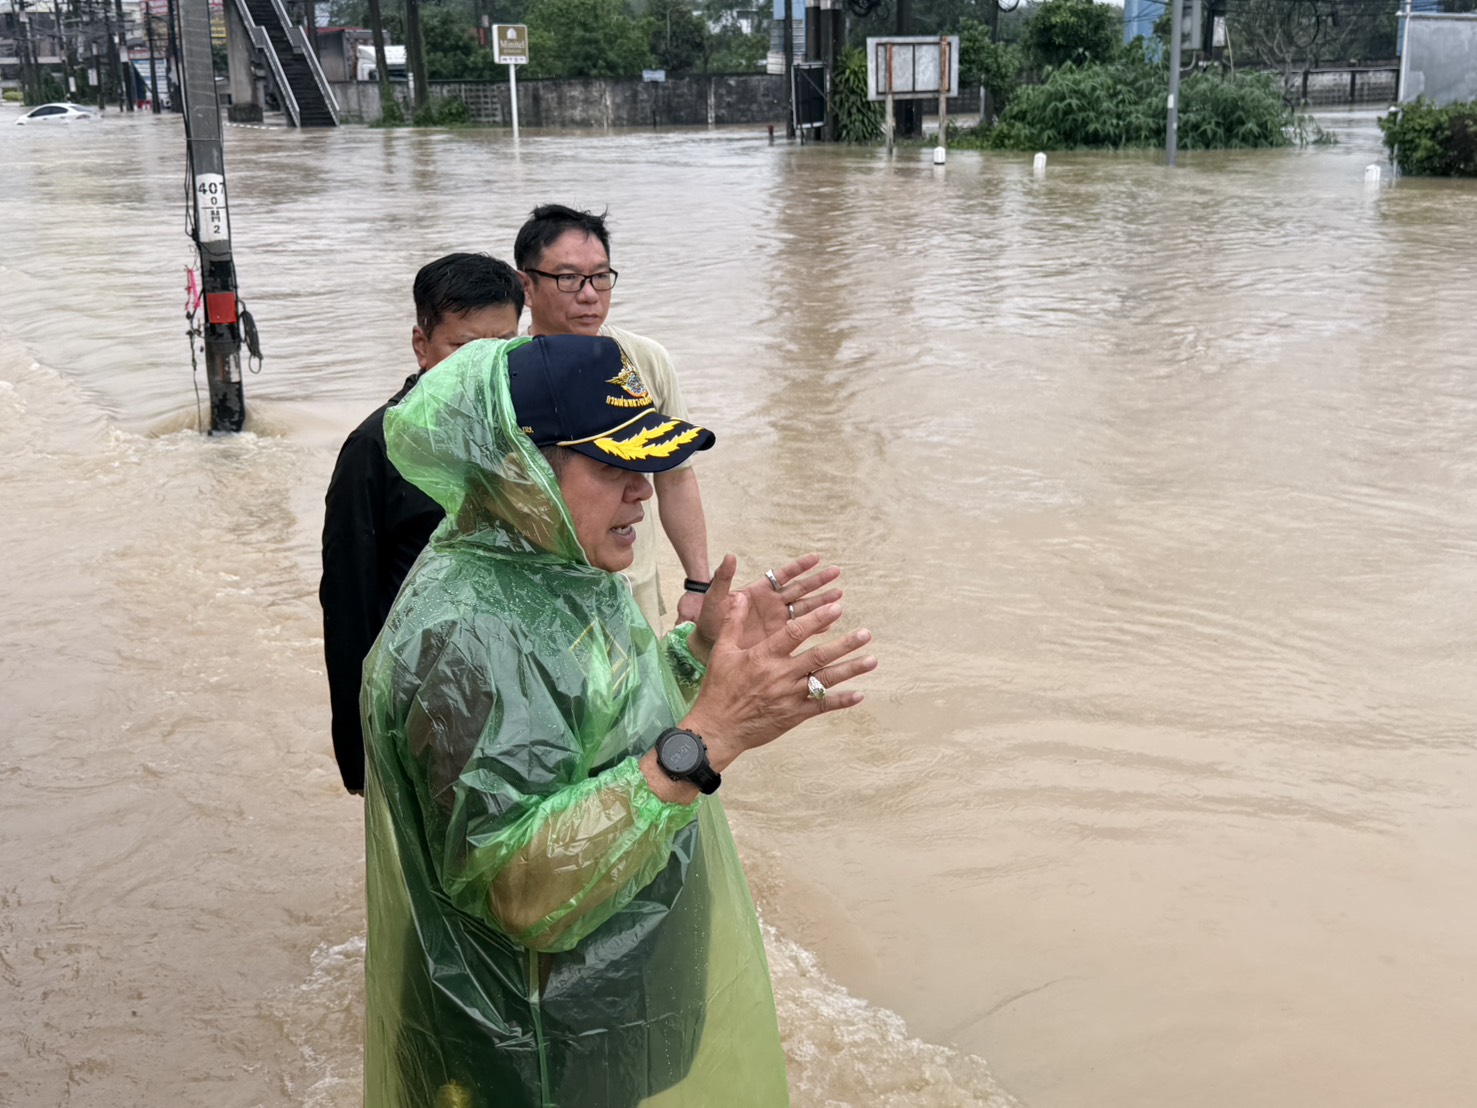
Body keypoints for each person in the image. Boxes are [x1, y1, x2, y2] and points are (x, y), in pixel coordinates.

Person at [361, 334, 876, 1108]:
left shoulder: (563, 569)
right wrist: (706, 740)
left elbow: (596, 721)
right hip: (524, 1043)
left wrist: (700, 658)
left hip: (598, 1009)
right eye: (612, 465)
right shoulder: (464, 634)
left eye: (648, 461)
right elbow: (516, 887)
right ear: (519, 469)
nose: (644, 489)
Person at [319, 252, 523, 795]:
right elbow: (349, 607)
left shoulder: (525, 439)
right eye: (463, 348)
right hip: (420, 704)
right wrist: (360, 751)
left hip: (513, 693)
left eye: (502, 346)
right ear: (421, 344)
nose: (483, 366)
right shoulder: (373, 450)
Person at [514, 203, 711, 630]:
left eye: (600, 277)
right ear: (525, 286)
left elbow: (675, 477)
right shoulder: (503, 374)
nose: (589, 295)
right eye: (568, 278)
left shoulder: (645, 359)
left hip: (630, 597)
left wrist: (699, 585)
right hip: (537, 604)